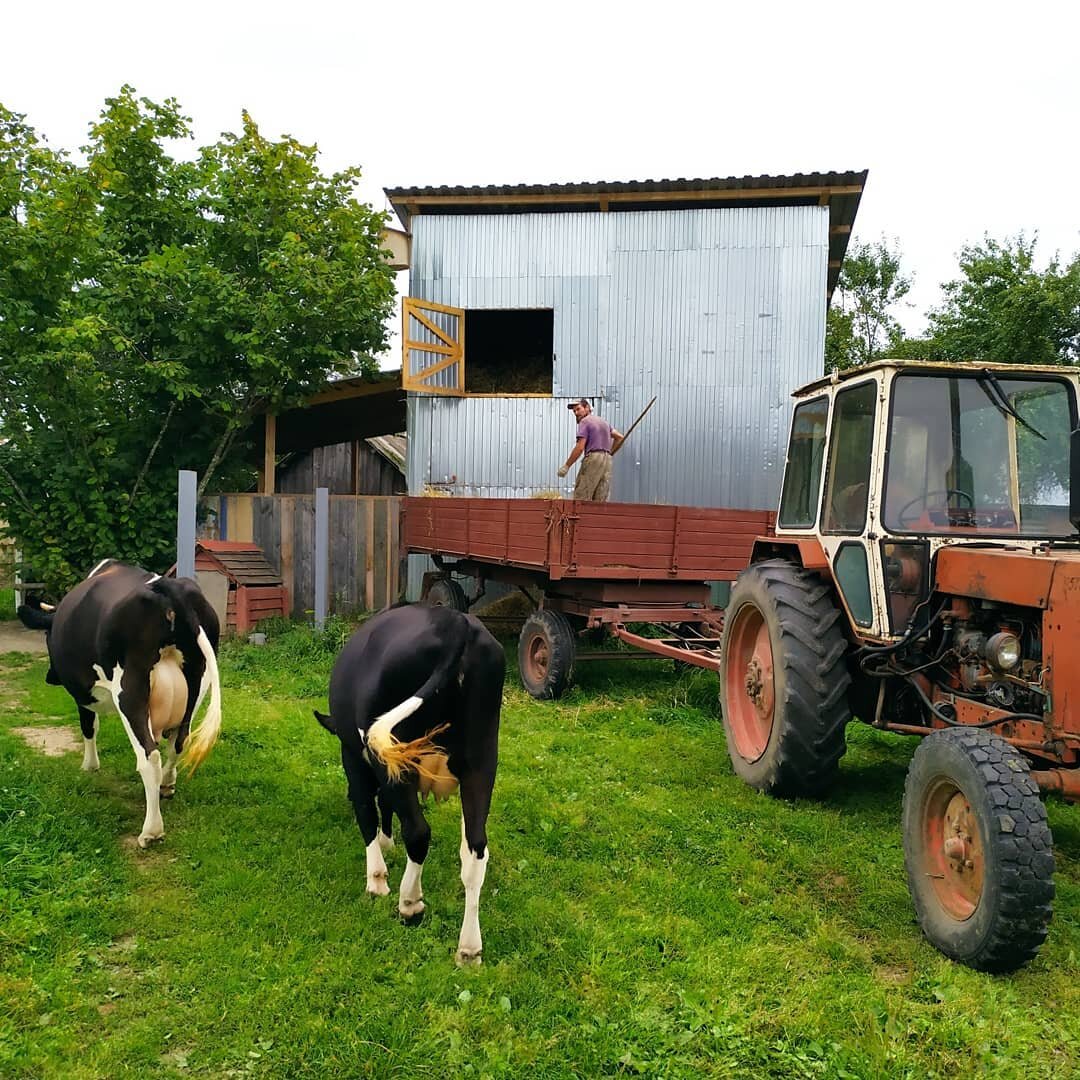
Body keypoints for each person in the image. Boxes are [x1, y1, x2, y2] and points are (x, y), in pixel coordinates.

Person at [557, 398, 624, 502]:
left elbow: (580, 447)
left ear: (587, 408)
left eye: (578, 409)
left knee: (582, 495)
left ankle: (580, 518)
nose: (576, 413)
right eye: (574, 411)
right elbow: (619, 437)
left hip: (593, 458)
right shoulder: (603, 422)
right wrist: (610, 453)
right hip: (607, 461)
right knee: (600, 499)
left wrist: (566, 466)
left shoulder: (584, 421)